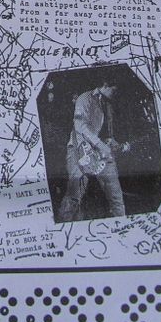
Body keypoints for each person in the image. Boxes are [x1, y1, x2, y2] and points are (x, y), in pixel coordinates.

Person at [59, 79, 128, 221]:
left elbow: (106, 131)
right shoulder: (85, 98)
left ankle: (122, 223)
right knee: (74, 196)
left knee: (116, 197)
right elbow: (79, 126)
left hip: (102, 153)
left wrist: (112, 141)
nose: (115, 94)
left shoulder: (108, 104)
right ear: (105, 84)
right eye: (114, 90)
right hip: (79, 150)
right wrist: (99, 144)